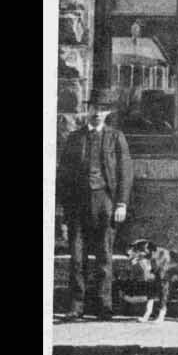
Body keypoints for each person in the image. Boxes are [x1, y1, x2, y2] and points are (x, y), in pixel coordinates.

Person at [56, 87, 133, 321]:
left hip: (104, 202)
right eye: (93, 108)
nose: (97, 113)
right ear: (87, 110)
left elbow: (125, 172)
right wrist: (64, 213)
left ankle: (103, 305)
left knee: (104, 256)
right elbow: (64, 177)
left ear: (108, 112)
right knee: (77, 257)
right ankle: (76, 306)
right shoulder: (75, 138)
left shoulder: (115, 137)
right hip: (78, 205)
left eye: (102, 109)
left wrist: (121, 204)